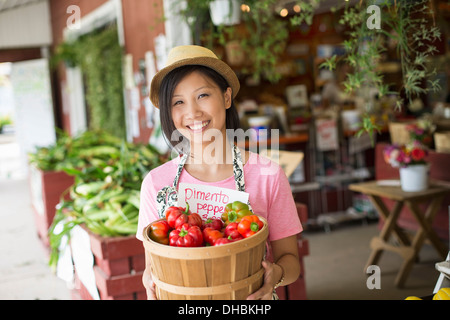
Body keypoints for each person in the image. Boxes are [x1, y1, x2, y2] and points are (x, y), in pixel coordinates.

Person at [136, 45, 302, 300]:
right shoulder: (156, 183)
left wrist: (274, 275)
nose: (192, 112)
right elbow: (153, 266)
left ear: (226, 97)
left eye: (202, 95)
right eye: (178, 102)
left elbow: (290, 263)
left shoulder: (267, 174)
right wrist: (150, 278)